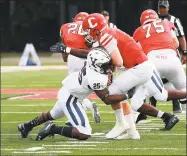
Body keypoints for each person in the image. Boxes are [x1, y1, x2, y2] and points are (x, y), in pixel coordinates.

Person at [50, 13, 186, 139]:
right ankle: (132, 132)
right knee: (149, 99)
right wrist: (68, 49)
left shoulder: (105, 36)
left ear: (95, 28)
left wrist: (108, 69)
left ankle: (122, 124)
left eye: (88, 30)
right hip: (141, 66)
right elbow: (92, 53)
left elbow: (118, 61)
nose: (86, 34)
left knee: (112, 91)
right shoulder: (106, 33)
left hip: (140, 68)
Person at [17, 47, 135, 141]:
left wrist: (67, 49)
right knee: (84, 133)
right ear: (96, 66)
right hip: (71, 98)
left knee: (52, 114)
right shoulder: (95, 78)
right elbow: (107, 99)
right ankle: (52, 129)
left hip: (69, 90)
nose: (108, 66)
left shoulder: (95, 59)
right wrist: (127, 95)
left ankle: (26, 126)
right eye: (104, 65)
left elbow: (87, 53)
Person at [132, 9, 187, 123]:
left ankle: (132, 122)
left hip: (153, 61)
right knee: (183, 90)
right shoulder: (166, 23)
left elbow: (137, 52)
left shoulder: (139, 31)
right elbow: (176, 43)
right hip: (173, 60)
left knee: (141, 95)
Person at [60, 12, 101, 124]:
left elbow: (63, 49)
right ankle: (85, 107)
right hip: (87, 56)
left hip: (73, 56)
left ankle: (82, 110)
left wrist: (66, 58)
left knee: (72, 88)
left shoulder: (65, 26)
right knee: (82, 86)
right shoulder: (90, 27)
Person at [149, 0, 187, 113]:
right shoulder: (153, 20)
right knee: (154, 77)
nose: (162, 9)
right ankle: (152, 105)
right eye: (160, 7)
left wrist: (184, 52)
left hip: (170, 52)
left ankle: (177, 105)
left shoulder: (174, 20)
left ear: (168, 8)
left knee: (173, 78)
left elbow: (181, 37)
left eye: (163, 7)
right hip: (156, 53)